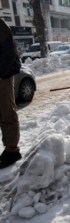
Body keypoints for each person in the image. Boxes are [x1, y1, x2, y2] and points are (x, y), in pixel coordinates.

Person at [0, 18, 22, 168]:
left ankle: (12, 151)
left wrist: (0, 73)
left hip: (3, 77)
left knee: (7, 114)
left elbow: (8, 54)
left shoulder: (1, 27)